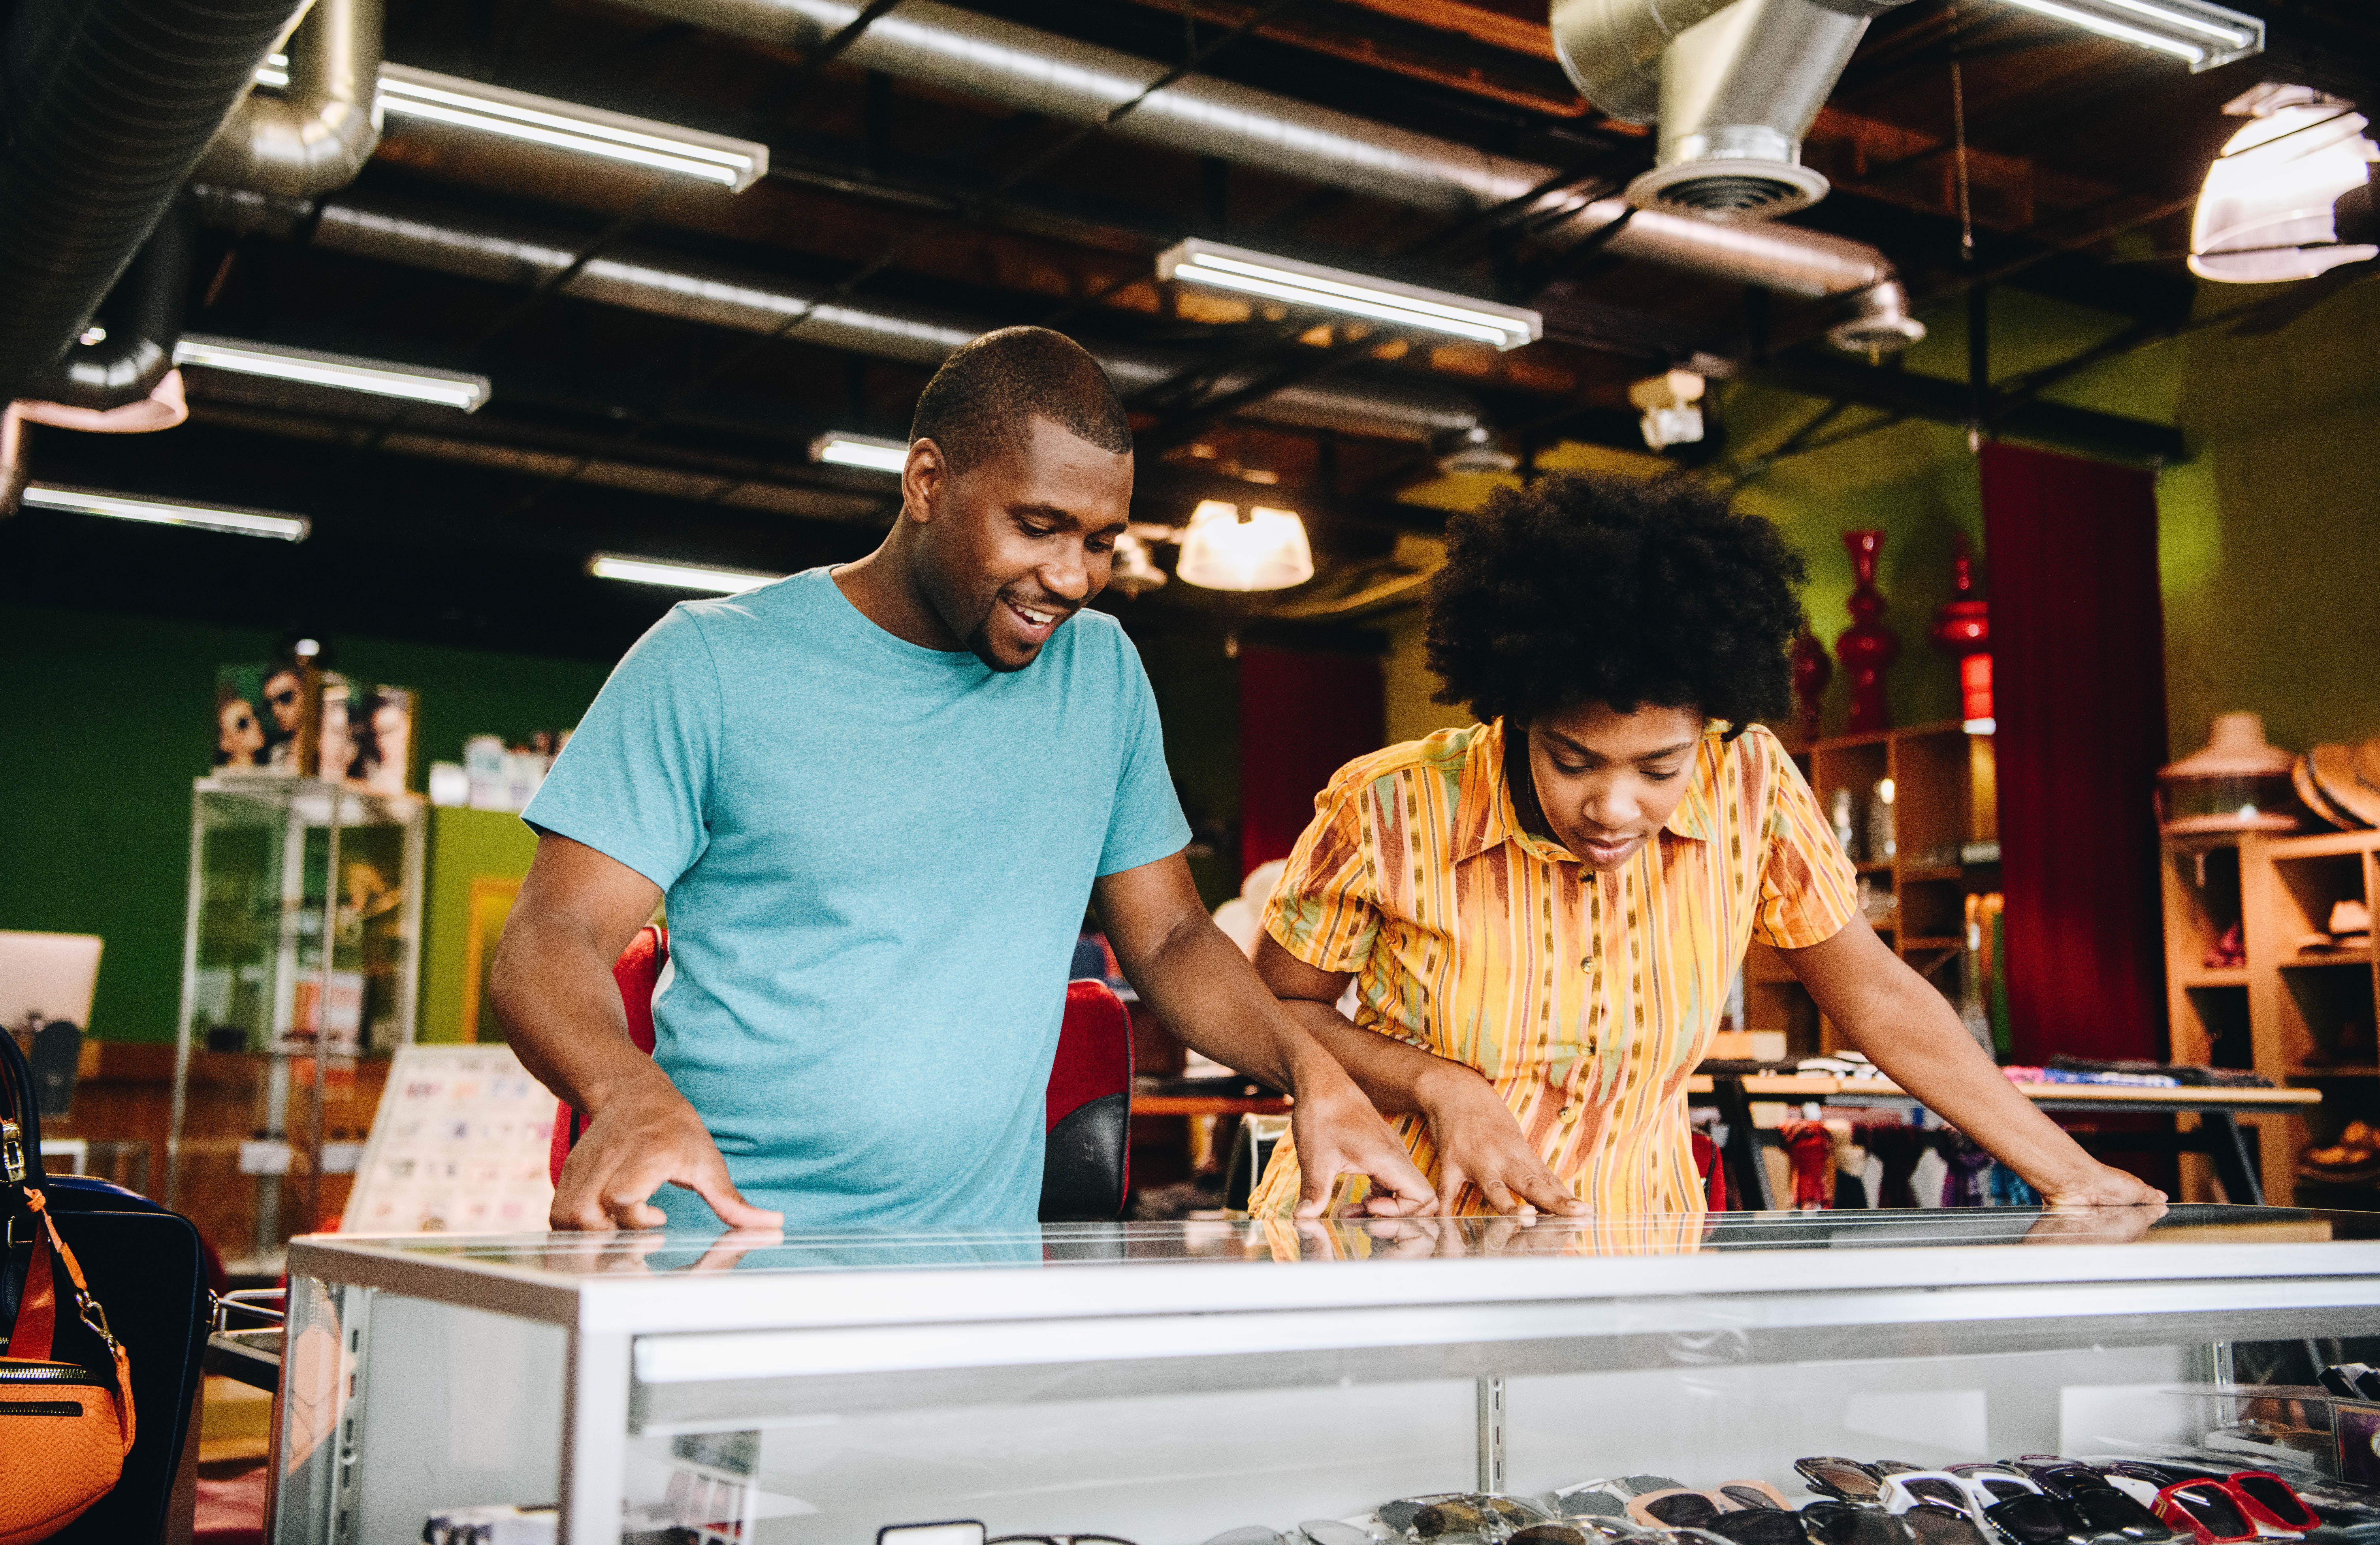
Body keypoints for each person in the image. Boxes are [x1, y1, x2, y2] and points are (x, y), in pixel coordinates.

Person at [491, 327, 1435, 1232]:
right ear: (928, 481)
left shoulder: (1098, 678)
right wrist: (628, 1092)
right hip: (724, 1247)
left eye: (1101, 541)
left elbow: (1176, 936)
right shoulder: (710, 664)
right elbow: (551, 936)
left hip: (971, 1266)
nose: (1071, 577)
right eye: (1038, 527)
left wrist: (1309, 1069)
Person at [1245, 471, 2166, 1220]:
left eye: (1660, 766)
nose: (1614, 806)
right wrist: (1437, 1083)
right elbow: (1276, 1010)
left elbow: (1879, 995)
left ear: (1712, 728)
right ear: (1517, 706)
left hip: (1625, 1239)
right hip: (1397, 1227)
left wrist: (2068, 1170)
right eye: (1573, 759)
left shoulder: (1753, 787)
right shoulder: (1391, 805)